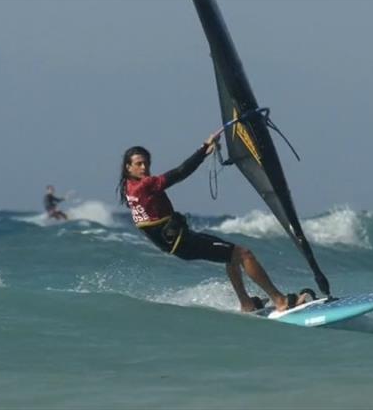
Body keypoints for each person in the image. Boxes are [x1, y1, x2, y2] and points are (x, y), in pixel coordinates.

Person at [116, 131, 308, 312]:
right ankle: (280, 301)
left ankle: (246, 303)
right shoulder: (145, 185)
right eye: (139, 164)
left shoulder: (128, 187)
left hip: (178, 242)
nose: (144, 168)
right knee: (243, 254)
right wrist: (204, 149)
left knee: (231, 255)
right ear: (128, 167)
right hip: (182, 242)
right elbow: (181, 172)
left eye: (146, 163)